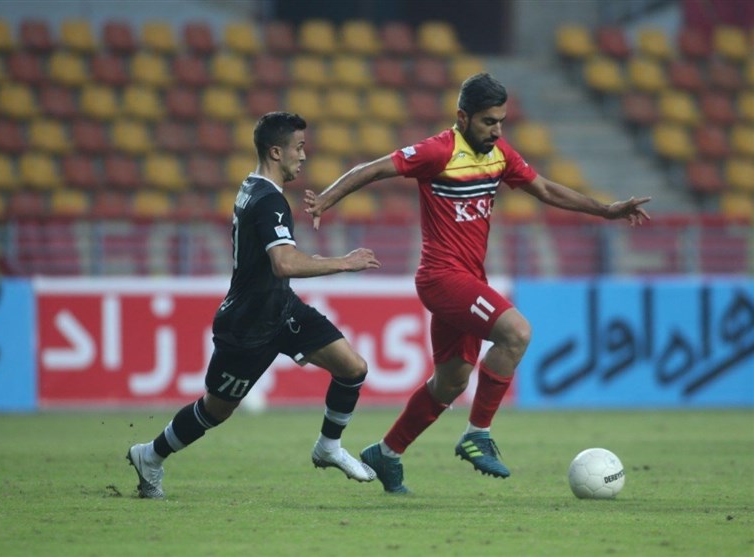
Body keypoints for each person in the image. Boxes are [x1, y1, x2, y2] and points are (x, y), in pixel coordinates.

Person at [304, 73, 651, 494]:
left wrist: (607, 210)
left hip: (468, 279)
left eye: (501, 121)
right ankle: (477, 434)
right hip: (441, 277)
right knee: (517, 332)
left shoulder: (499, 154)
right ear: (463, 117)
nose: (497, 130)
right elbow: (374, 169)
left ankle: (386, 452)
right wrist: (326, 199)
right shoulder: (438, 151)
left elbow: (544, 189)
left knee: (450, 382)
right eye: (488, 122)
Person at [127, 112, 381, 498]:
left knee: (353, 368)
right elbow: (283, 263)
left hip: (281, 308)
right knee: (216, 410)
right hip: (247, 325)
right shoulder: (269, 201)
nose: (304, 156)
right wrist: (344, 263)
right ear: (276, 152)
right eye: (299, 148)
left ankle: (328, 447)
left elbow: (275, 261)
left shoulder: (252, 186)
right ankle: (150, 455)